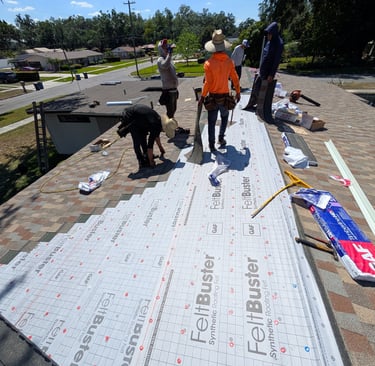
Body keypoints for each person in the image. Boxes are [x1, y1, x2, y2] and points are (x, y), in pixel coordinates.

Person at [198, 29, 241, 152]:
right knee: (224, 117)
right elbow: (235, 78)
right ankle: (221, 138)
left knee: (211, 122)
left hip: (212, 97)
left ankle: (211, 145)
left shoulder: (208, 64)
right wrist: (238, 91)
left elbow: (207, 83)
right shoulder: (229, 62)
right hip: (225, 97)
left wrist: (202, 97)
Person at [116, 104, 177, 169]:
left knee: (143, 135)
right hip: (130, 117)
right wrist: (151, 162)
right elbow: (150, 145)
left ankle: (147, 156)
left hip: (141, 119)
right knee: (137, 140)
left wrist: (161, 148)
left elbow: (156, 136)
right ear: (164, 128)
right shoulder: (155, 125)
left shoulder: (158, 122)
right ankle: (141, 161)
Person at [244, 21, 284, 111]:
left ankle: (261, 107)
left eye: (269, 35)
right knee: (256, 88)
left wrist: (271, 74)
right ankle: (253, 103)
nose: (268, 37)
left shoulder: (278, 44)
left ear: (273, 34)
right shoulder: (269, 42)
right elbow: (264, 56)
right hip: (262, 69)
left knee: (264, 91)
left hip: (268, 71)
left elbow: (276, 60)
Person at [157, 39, 189, 135]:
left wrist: (177, 75)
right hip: (168, 90)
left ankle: (169, 126)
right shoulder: (160, 59)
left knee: (173, 110)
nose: (166, 48)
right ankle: (167, 127)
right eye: (164, 47)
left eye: (167, 46)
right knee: (170, 111)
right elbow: (165, 66)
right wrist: (170, 54)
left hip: (174, 89)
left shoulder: (168, 59)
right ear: (160, 49)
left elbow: (169, 71)